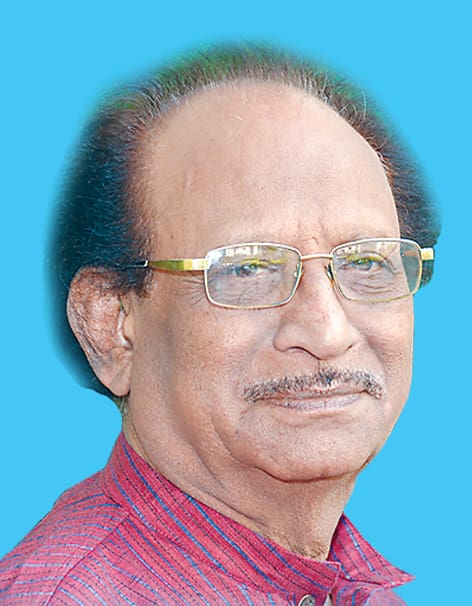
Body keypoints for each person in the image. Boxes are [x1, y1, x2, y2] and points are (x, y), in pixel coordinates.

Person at [0, 45, 439, 605]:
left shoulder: (355, 591)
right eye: (248, 269)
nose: (328, 333)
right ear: (113, 325)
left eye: (367, 262)